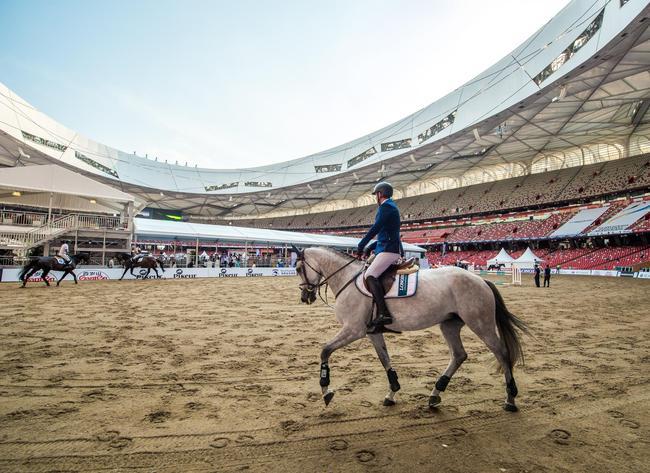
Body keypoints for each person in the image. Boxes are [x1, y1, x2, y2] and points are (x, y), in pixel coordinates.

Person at [357, 182, 401, 331]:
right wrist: (372, 247)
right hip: (386, 247)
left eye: (376, 194)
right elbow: (386, 233)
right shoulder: (390, 207)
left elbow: (375, 228)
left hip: (389, 250)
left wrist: (361, 244)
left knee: (370, 275)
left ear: (380, 194)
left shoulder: (386, 207)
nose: (376, 197)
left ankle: (384, 313)